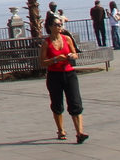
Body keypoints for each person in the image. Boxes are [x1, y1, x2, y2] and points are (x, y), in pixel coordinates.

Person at [40, 14, 88, 144]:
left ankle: (79, 133)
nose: (60, 26)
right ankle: (61, 130)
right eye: (57, 24)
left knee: (75, 103)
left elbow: (75, 55)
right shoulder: (46, 43)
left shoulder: (67, 39)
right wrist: (55, 59)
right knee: (57, 103)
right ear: (50, 27)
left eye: (60, 24)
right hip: (54, 76)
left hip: (69, 74)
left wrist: (72, 55)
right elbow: (42, 62)